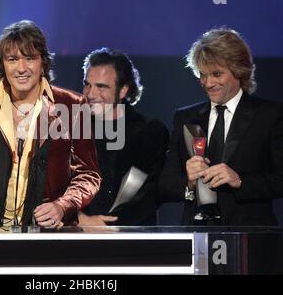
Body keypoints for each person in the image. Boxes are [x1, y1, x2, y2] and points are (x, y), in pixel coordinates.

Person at [0, 20, 101, 230]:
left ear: (42, 63)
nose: (21, 68)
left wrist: (62, 206)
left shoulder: (72, 105)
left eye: (30, 58)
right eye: (12, 59)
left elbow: (89, 175)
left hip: (48, 237)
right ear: (3, 64)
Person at [159, 27, 283, 226]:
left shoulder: (269, 115)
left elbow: (279, 179)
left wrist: (239, 180)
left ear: (239, 71)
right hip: (196, 234)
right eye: (202, 75)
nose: (208, 83)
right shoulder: (185, 118)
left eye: (217, 74)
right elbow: (165, 185)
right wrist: (189, 182)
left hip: (249, 234)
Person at [78, 48, 169, 226]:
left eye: (101, 87)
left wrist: (106, 225)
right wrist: (81, 220)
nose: (91, 94)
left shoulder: (149, 131)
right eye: (87, 85)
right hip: (78, 238)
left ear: (123, 90)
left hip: (131, 240)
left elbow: (151, 192)